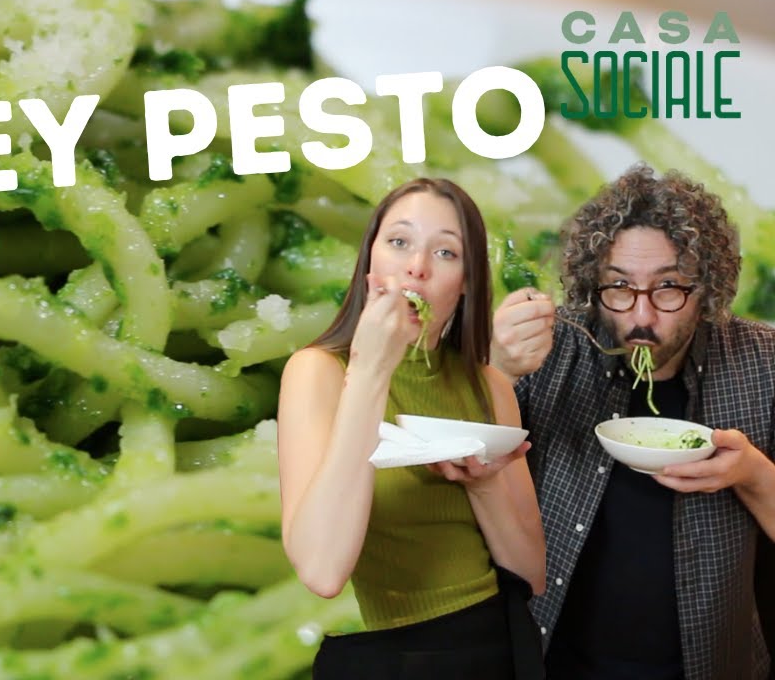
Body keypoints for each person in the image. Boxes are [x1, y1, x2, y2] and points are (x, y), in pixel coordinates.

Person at [490, 164, 775, 680]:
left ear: (707, 287)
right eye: (620, 286)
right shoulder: (553, 351)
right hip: (554, 662)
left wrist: (752, 474)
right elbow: (460, 477)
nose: (642, 316)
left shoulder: (761, 361)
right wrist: (497, 369)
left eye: (668, 287)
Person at [277, 177, 547, 680]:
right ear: (370, 261)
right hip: (382, 656)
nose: (416, 267)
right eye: (399, 242)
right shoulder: (316, 372)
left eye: (446, 252)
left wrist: (483, 485)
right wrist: (370, 370)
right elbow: (322, 570)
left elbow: (531, 575)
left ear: (466, 282)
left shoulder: (490, 386)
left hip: (497, 643)